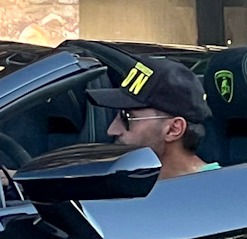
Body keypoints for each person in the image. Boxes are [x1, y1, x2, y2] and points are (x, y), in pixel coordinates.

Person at [88, 55, 217, 180]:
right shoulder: (135, 182)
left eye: (126, 117)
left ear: (173, 129)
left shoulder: (215, 191)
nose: (111, 130)